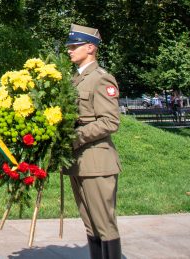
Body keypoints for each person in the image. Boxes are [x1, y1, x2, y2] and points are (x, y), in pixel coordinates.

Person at [64, 24, 122, 259]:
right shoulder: (76, 79)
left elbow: (110, 122)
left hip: (97, 161)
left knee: (104, 224)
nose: (69, 50)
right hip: (79, 162)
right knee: (90, 223)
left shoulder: (101, 79)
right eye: (69, 46)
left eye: (74, 46)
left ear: (90, 48)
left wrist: (76, 137)